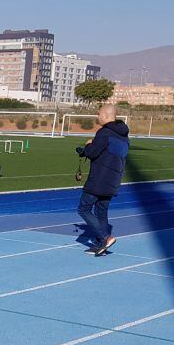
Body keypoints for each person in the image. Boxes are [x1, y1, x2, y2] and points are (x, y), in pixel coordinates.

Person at [77, 103, 129, 257]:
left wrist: (87, 146)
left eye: (99, 114)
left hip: (99, 178)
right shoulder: (124, 137)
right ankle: (101, 245)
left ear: (106, 115)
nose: (97, 116)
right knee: (101, 211)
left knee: (84, 208)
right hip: (113, 180)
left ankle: (105, 238)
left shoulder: (104, 133)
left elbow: (93, 152)